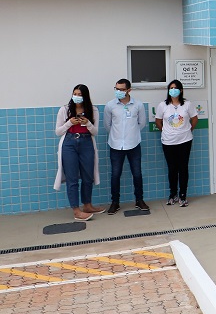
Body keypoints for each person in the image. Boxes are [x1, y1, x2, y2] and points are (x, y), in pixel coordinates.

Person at [54, 84, 104, 221]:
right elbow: (58, 131)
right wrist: (69, 123)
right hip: (69, 143)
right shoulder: (64, 110)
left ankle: (87, 205)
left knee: (88, 175)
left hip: (86, 142)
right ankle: (76, 210)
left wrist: (87, 123)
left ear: (85, 96)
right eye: (74, 93)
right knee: (72, 178)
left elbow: (95, 131)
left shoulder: (93, 110)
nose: (76, 97)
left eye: (80, 94)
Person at [103, 78, 148, 215]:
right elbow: (107, 125)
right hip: (116, 145)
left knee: (137, 174)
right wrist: (118, 137)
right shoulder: (110, 105)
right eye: (116, 89)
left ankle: (139, 200)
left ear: (129, 90)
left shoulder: (138, 105)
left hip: (133, 144)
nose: (119, 91)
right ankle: (115, 202)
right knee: (115, 175)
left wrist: (131, 135)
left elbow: (142, 123)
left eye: (122, 89)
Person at [155, 79, 198, 207]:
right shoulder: (163, 105)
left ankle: (183, 195)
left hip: (185, 140)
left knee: (183, 168)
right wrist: (165, 131)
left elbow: (195, 119)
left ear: (181, 90)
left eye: (175, 88)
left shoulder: (187, 104)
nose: (173, 90)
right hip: (168, 142)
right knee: (172, 168)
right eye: (171, 88)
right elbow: (158, 121)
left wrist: (188, 130)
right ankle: (173, 194)